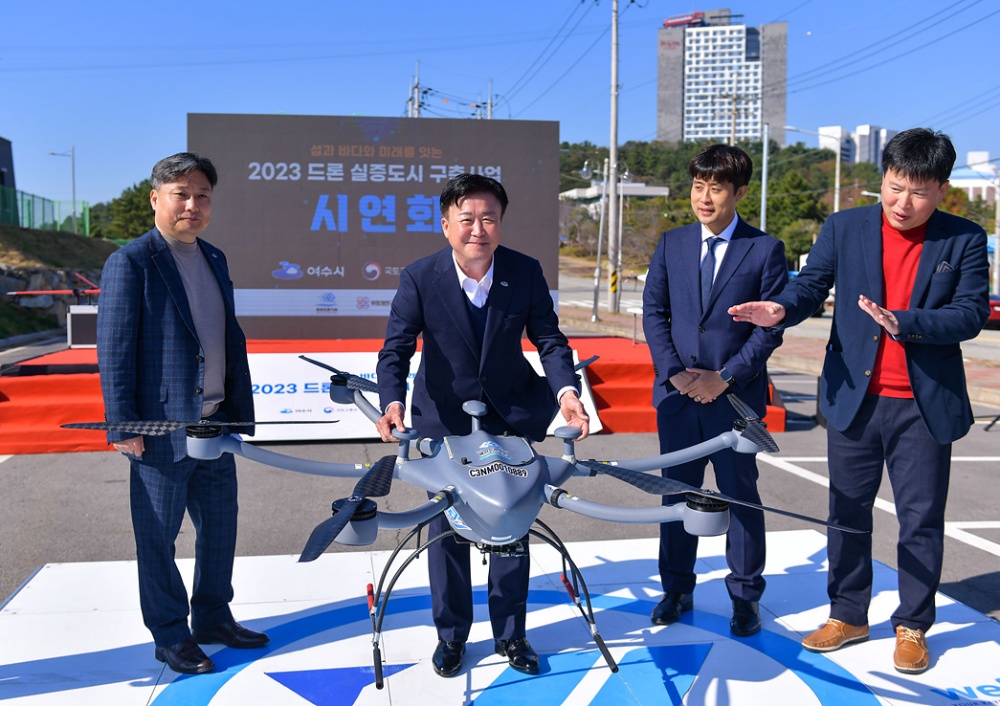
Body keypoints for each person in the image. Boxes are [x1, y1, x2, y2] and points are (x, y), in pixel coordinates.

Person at [730, 128, 989, 674]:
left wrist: (906, 322)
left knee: (920, 518)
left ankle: (913, 624)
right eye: (895, 188)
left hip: (921, 405)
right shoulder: (845, 227)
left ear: (942, 189)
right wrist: (781, 309)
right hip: (854, 398)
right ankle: (848, 613)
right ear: (883, 179)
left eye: (918, 192)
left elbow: (969, 314)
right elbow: (809, 285)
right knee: (846, 512)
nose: (903, 203)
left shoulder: (963, 239)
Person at [376, 172, 590, 678]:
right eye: (466, 218)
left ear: (500, 223)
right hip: (442, 417)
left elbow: (551, 341)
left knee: (512, 523)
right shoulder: (420, 276)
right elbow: (396, 348)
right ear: (446, 223)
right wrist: (391, 402)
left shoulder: (524, 271)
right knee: (444, 526)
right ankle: (451, 637)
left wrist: (567, 393)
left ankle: (512, 635)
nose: (478, 228)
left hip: (509, 414)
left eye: (488, 218)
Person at [97, 153, 269, 675]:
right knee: (158, 536)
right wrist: (124, 426)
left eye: (202, 196)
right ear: (156, 198)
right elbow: (115, 347)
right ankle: (170, 635)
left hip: (215, 424)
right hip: (161, 431)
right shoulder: (132, 261)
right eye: (181, 194)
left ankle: (213, 617)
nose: (192, 205)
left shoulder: (214, 257)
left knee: (220, 528)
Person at [642, 144, 787, 638]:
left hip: (734, 398)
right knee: (675, 496)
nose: (705, 198)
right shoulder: (672, 243)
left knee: (740, 496)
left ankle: (745, 598)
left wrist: (724, 376)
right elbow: (654, 313)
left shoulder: (765, 249)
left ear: (739, 192)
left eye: (717, 188)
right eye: (698, 186)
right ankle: (676, 589)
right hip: (678, 397)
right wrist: (675, 372)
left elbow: (770, 330)